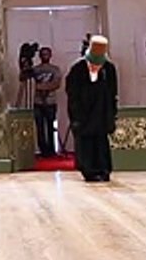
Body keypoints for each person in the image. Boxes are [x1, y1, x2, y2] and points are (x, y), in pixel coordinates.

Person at [65, 35, 119, 183]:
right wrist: (75, 117)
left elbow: (113, 93)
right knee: (86, 143)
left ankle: (104, 170)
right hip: (84, 114)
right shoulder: (77, 69)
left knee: (101, 143)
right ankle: (89, 171)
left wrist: (112, 115)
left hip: (102, 112)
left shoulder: (109, 69)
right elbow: (72, 94)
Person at [33, 47, 63, 157]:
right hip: (38, 102)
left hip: (50, 102)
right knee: (39, 127)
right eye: (43, 54)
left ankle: (51, 150)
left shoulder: (55, 69)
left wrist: (42, 87)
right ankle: (43, 150)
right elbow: (30, 82)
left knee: (51, 127)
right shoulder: (35, 70)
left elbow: (56, 84)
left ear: (50, 55)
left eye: (47, 54)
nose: (45, 56)